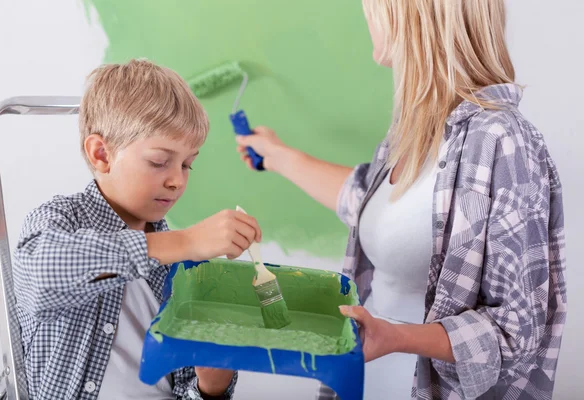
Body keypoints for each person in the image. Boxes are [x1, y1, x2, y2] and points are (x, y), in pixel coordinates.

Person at [235, 0, 567, 399]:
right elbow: (371, 206)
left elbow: (517, 329)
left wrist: (396, 336)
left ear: (411, 14)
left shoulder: (502, 140)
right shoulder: (411, 132)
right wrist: (278, 156)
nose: (365, 14)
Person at [13, 59, 262, 400]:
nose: (177, 180)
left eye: (188, 164)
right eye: (160, 161)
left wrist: (213, 383)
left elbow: (188, 386)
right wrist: (184, 240)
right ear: (101, 154)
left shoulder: (181, 266)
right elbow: (40, 278)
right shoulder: (61, 219)